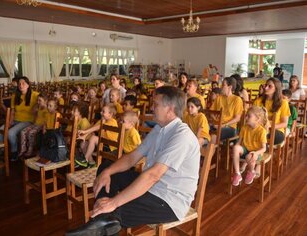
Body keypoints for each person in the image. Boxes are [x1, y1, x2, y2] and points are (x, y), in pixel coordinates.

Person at [66, 86, 200, 236]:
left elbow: (153, 175)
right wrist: (108, 172)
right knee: (106, 168)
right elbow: (132, 157)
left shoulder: (182, 136)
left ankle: (102, 221)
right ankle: (102, 221)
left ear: (170, 109)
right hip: (152, 187)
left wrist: (114, 202)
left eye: (155, 104)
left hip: (169, 200)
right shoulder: (159, 129)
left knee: (116, 208)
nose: (152, 107)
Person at [0, 76, 39, 161]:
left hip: (28, 121)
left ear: (28, 85)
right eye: (19, 84)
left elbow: (44, 102)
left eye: (23, 83)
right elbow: (12, 110)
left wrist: (37, 107)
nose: (21, 85)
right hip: (15, 120)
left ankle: (14, 151)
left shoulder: (35, 95)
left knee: (10, 133)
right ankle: (4, 149)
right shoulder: (15, 96)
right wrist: (10, 121)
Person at [231, 106, 268, 186]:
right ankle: (237, 174)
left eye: (249, 116)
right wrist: (235, 151)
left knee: (249, 156)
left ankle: (251, 171)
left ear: (257, 119)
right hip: (246, 149)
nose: (246, 117)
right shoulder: (244, 128)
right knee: (236, 148)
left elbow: (264, 148)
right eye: (246, 115)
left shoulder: (262, 131)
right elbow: (239, 142)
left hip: (256, 153)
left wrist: (256, 153)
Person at [76, 104, 118, 168]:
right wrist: (84, 136)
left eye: (103, 112)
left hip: (110, 147)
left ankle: (85, 159)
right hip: (102, 144)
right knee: (83, 144)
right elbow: (93, 128)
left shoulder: (113, 121)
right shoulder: (102, 120)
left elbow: (98, 127)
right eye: (101, 111)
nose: (101, 113)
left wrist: (85, 131)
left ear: (110, 114)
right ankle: (91, 162)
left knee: (93, 138)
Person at [253, 78, 290, 145]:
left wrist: (269, 126)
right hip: (259, 128)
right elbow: (253, 119)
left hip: (276, 130)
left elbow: (284, 123)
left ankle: (260, 148)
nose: (266, 88)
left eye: (270, 86)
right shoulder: (258, 101)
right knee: (249, 131)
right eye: (266, 85)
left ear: (276, 89)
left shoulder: (283, 103)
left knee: (262, 134)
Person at [210, 77, 244, 142]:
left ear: (230, 87)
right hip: (217, 124)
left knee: (213, 136)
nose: (221, 87)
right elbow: (211, 112)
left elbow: (237, 118)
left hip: (230, 127)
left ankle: (210, 151)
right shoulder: (219, 97)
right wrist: (215, 121)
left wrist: (223, 125)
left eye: (223, 85)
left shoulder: (237, 100)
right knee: (203, 130)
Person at [18, 93, 48, 158]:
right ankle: (23, 149)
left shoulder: (47, 109)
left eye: (40, 100)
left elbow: (46, 121)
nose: (38, 102)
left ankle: (30, 150)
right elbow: (34, 113)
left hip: (41, 125)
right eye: (37, 100)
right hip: (35, 124)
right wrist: (36, 107)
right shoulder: (39, 107)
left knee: (31, 133)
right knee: (22, 131)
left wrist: (44, 127)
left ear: (45, 101)